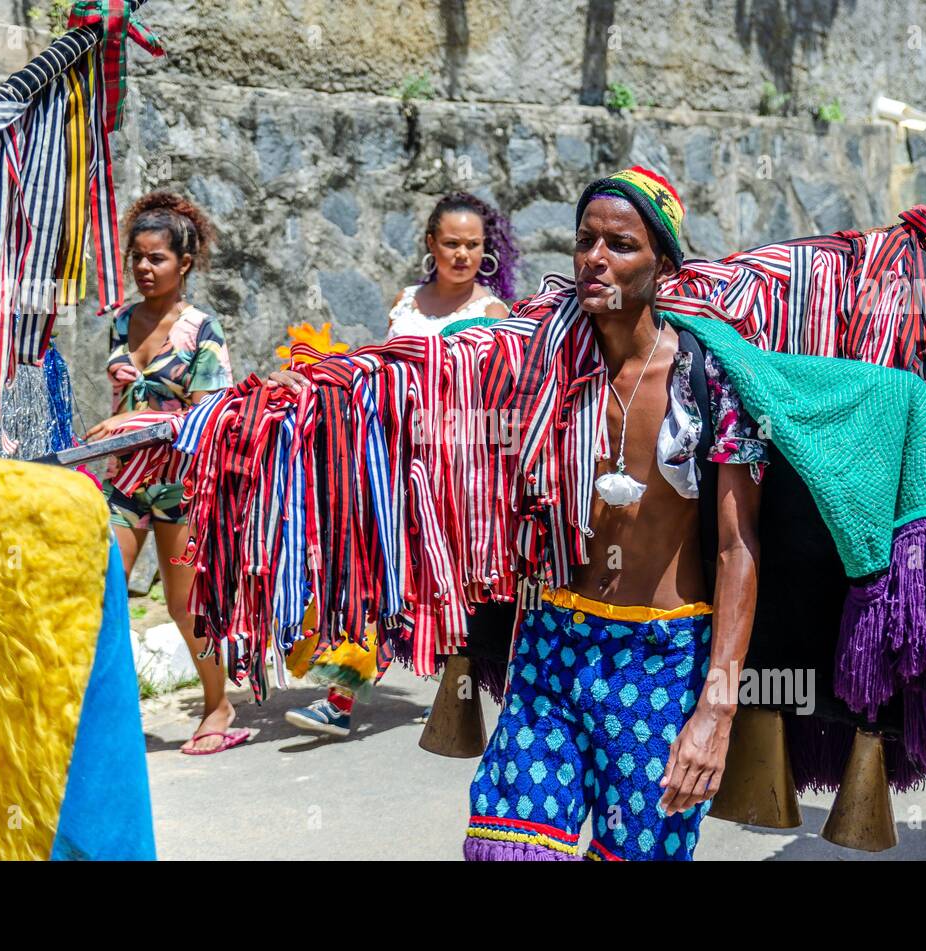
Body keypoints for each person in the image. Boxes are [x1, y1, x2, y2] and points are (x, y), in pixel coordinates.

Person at [460, 168, 764, 860]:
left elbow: (736, 550)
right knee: (507, 850)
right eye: (585, 241)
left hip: (660, 660)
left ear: (662, 263)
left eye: (620, 245)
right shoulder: (541, 359)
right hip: (551, 640)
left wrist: (716, 706)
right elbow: (425, 379)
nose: (596, 259)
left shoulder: (708, 376)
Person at [283, 191, 519, 738]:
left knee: (441, 582)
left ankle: (493, 697)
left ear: (486, 251)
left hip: (454, 469)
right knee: (379, 571)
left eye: (473, 245)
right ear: (430, 245)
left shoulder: (491, 313)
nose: (461, 254)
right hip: (388, 456)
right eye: (451, 243)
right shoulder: (406, 301)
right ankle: (341, 698)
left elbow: (495, 399)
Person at [86, 191, 242, 756]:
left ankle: (217, 703)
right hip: (125, 478)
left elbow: (208, 412)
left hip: (181, 483)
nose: (145, 268)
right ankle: (101, 713)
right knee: (100, 592)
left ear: (185, 264)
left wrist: (141, 415)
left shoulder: (203, 328)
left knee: (183, 604)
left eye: (158, 259)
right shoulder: (122, 321)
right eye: (138, 257)